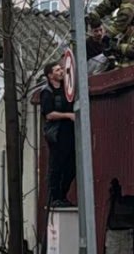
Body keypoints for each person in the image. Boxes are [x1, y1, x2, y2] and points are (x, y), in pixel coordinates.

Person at [40, 62, 76, 208]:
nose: (61, 71)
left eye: (61, 69)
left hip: (70, 132)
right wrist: (68, 115)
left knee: (72, 165)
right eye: (57, 70)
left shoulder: (66, 88)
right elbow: (49, 115)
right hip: (57, 133)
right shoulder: (47, 92)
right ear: (50, 75)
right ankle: (55, 197)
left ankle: (63, 194)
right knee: (57, 165)